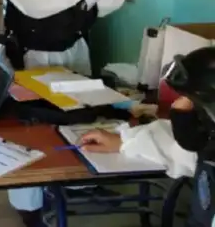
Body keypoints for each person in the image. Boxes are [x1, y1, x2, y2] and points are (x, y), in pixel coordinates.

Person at [0, 0, 131, 226]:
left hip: (73, 50)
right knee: (33, 131)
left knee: (79, 119)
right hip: (32, 55)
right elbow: (35, 0)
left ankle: (78, 183)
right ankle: (29, 204)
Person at [79, 46, 215, 227]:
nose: (179, 105)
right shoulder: (207, 151)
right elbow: (179, 147)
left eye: (191, 105)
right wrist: (125, 142)